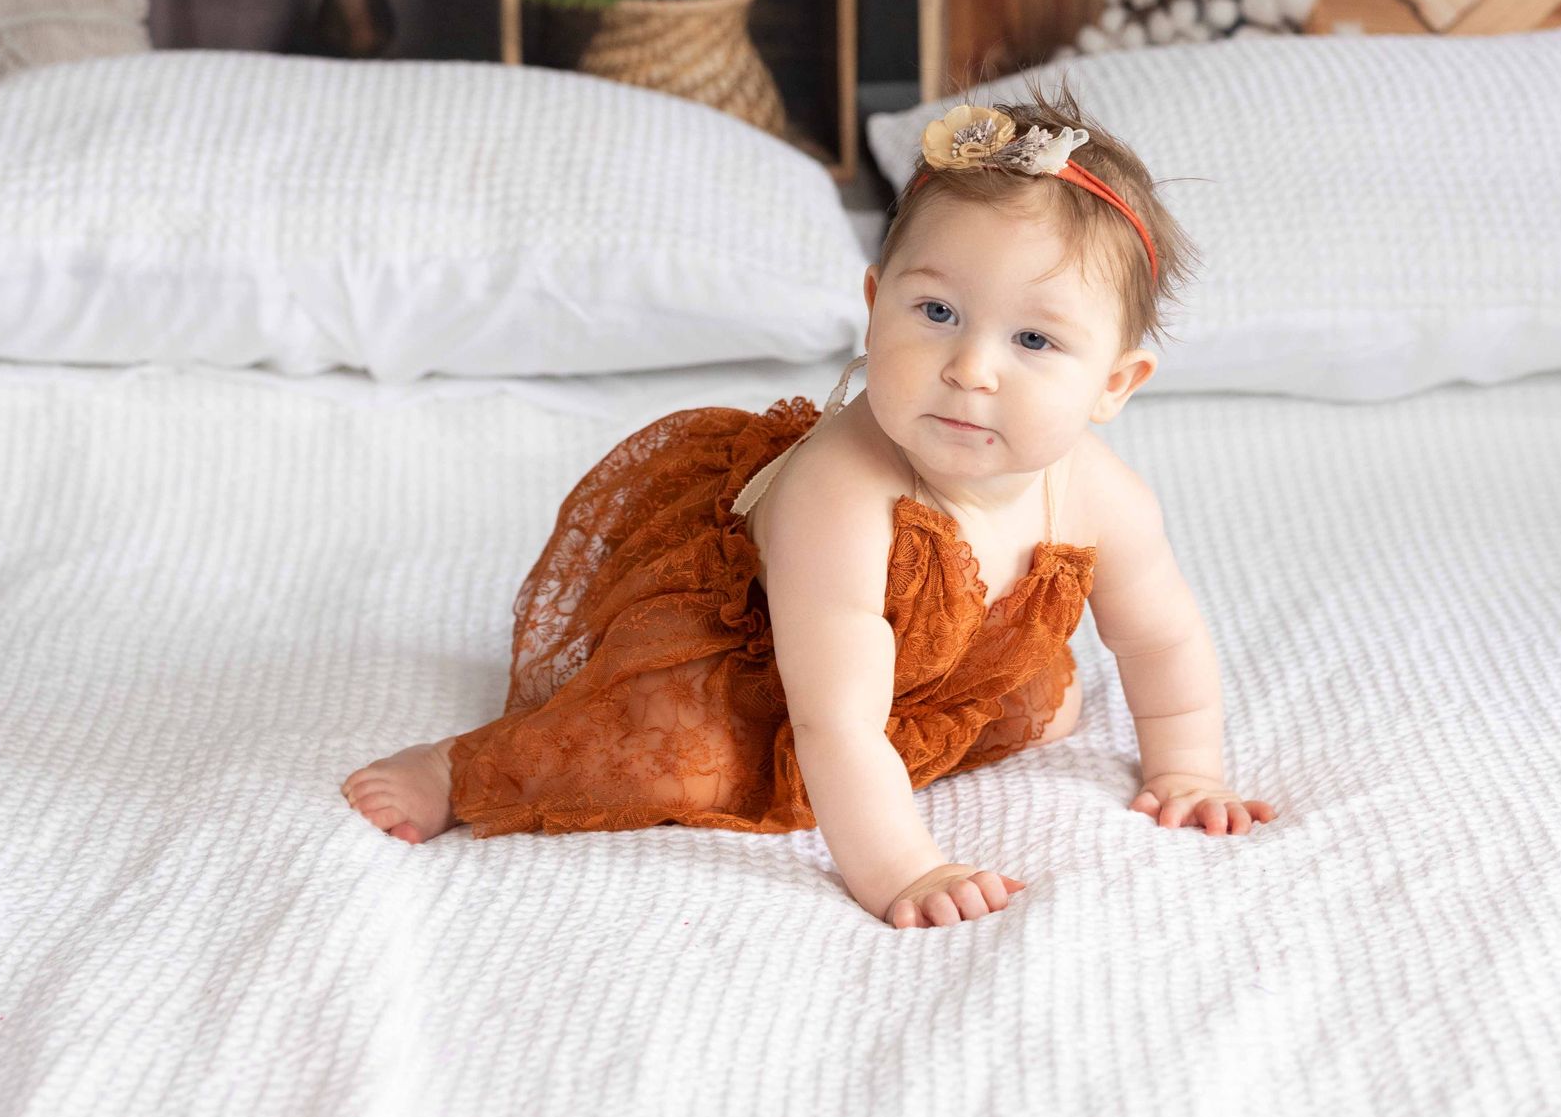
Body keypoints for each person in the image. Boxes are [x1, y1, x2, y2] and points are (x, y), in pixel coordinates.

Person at [341, 87, 1277, 928]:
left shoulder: (1100, 491)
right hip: (756, 652)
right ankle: (457, 767)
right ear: (875, 307)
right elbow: (833, 720)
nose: (971, 367)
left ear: (1115, 382)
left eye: (1034, 338)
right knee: (679, 757)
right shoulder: (841, 496)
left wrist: (1185, 768)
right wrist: (903, 865)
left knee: (1048, 700)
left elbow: (1161, 642)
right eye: (937, 312)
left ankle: (940, 707)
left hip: (919, 670)